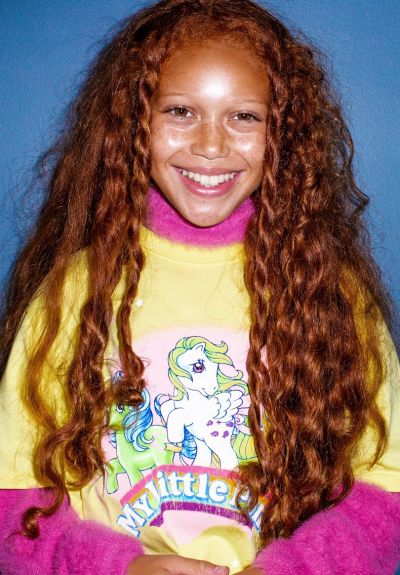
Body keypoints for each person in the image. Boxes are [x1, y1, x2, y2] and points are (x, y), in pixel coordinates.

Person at [0, 0, 399, 573]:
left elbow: (385, 489)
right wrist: (117, 567)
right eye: (181, 111)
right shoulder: (74, 292)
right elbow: (14, 499)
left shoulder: (330, 293)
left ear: (284, 132)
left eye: (245, 117)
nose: (211, 146)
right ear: (134, 121)